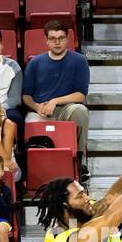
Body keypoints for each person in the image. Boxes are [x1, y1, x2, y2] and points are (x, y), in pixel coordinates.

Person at [22, 20, 91, 156]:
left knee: (81, 111)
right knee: (31, 121)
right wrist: (37, 107)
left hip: (67, 108)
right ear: (46, 40)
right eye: (53, 39)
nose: (57, 42)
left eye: (61, 38)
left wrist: (54, 101)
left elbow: (80, 95)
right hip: (40, 111)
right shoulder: (35, 63)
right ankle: (37, 166)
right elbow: (26, 96)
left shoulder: (79, 61)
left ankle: (80, 160)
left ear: (67, 39)